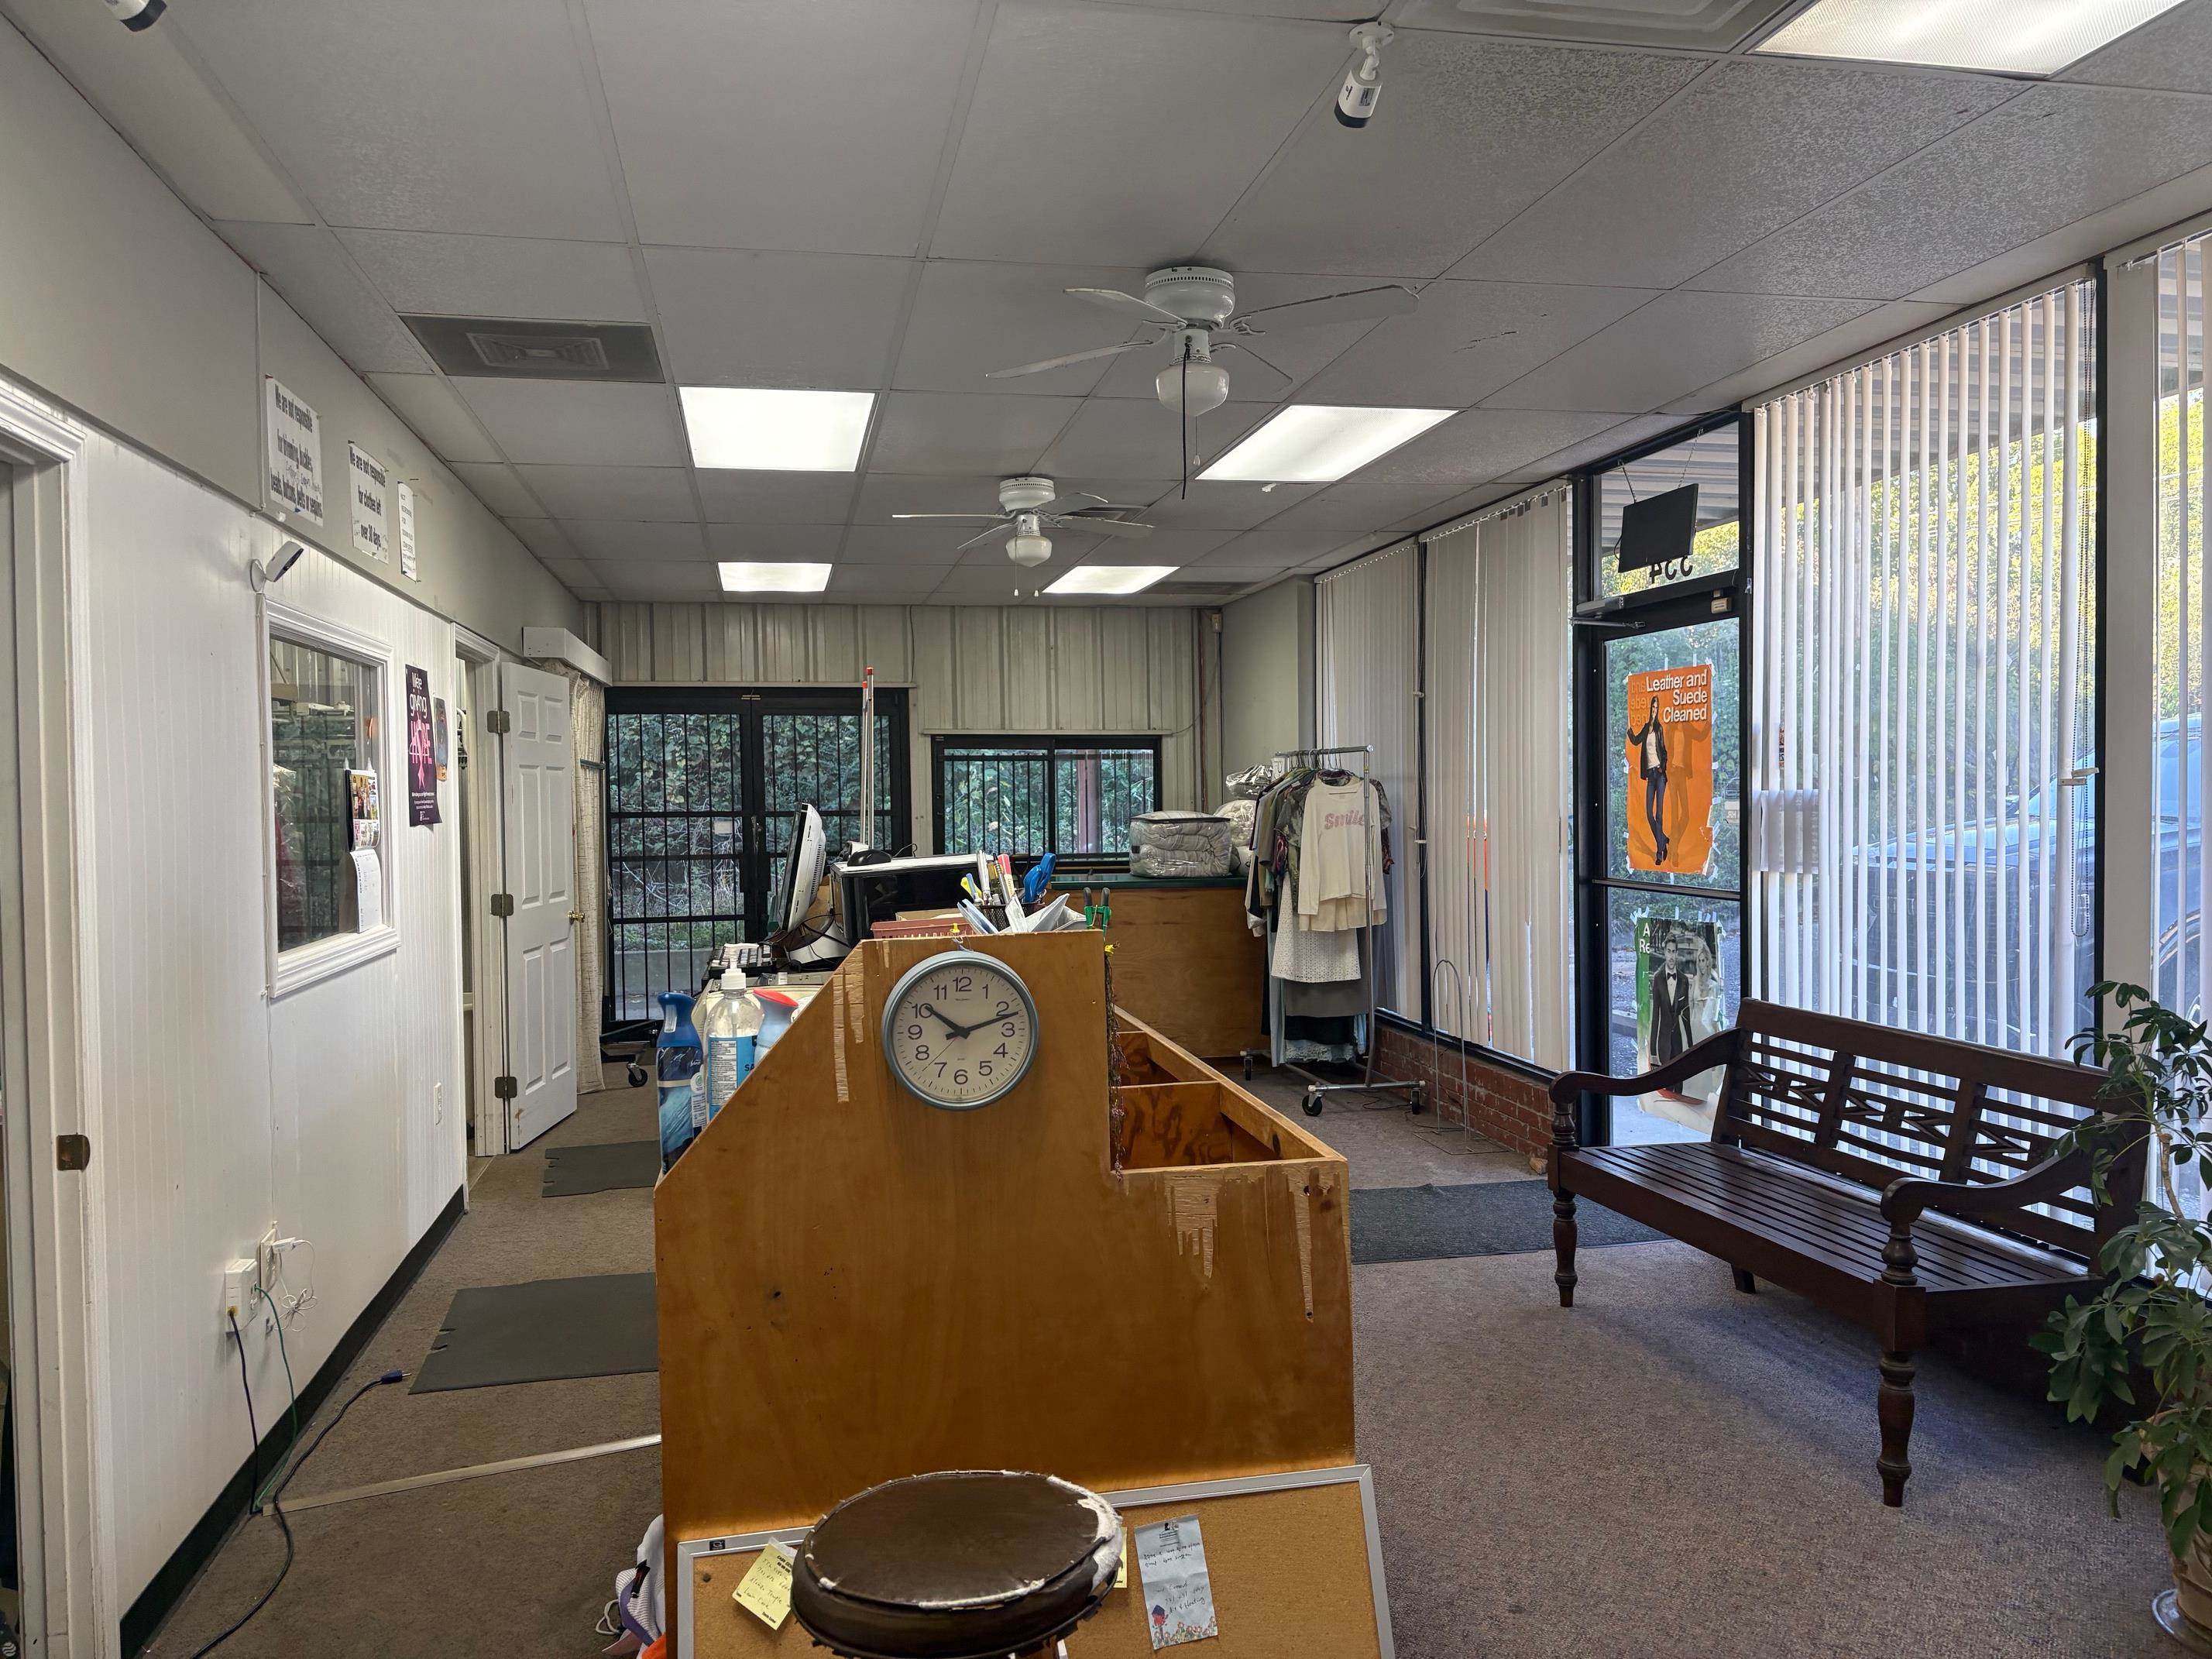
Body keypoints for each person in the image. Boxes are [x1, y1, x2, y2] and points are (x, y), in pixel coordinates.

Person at [1628, 693, 1671, 864]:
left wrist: (1662, 767)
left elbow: (1664, 752)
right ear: (1649, 709)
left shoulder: (1659, 729)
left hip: (1659, 774)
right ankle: (1663, 839)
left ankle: (1659, 852)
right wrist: (1629, 730)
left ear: (1657, 709)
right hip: (1650, 776)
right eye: (1652, 707)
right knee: (1649, 813)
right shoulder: (1647, 727)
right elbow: (1636, 740)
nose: (1654, 710)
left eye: (1656, 708)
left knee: (1659, 815)